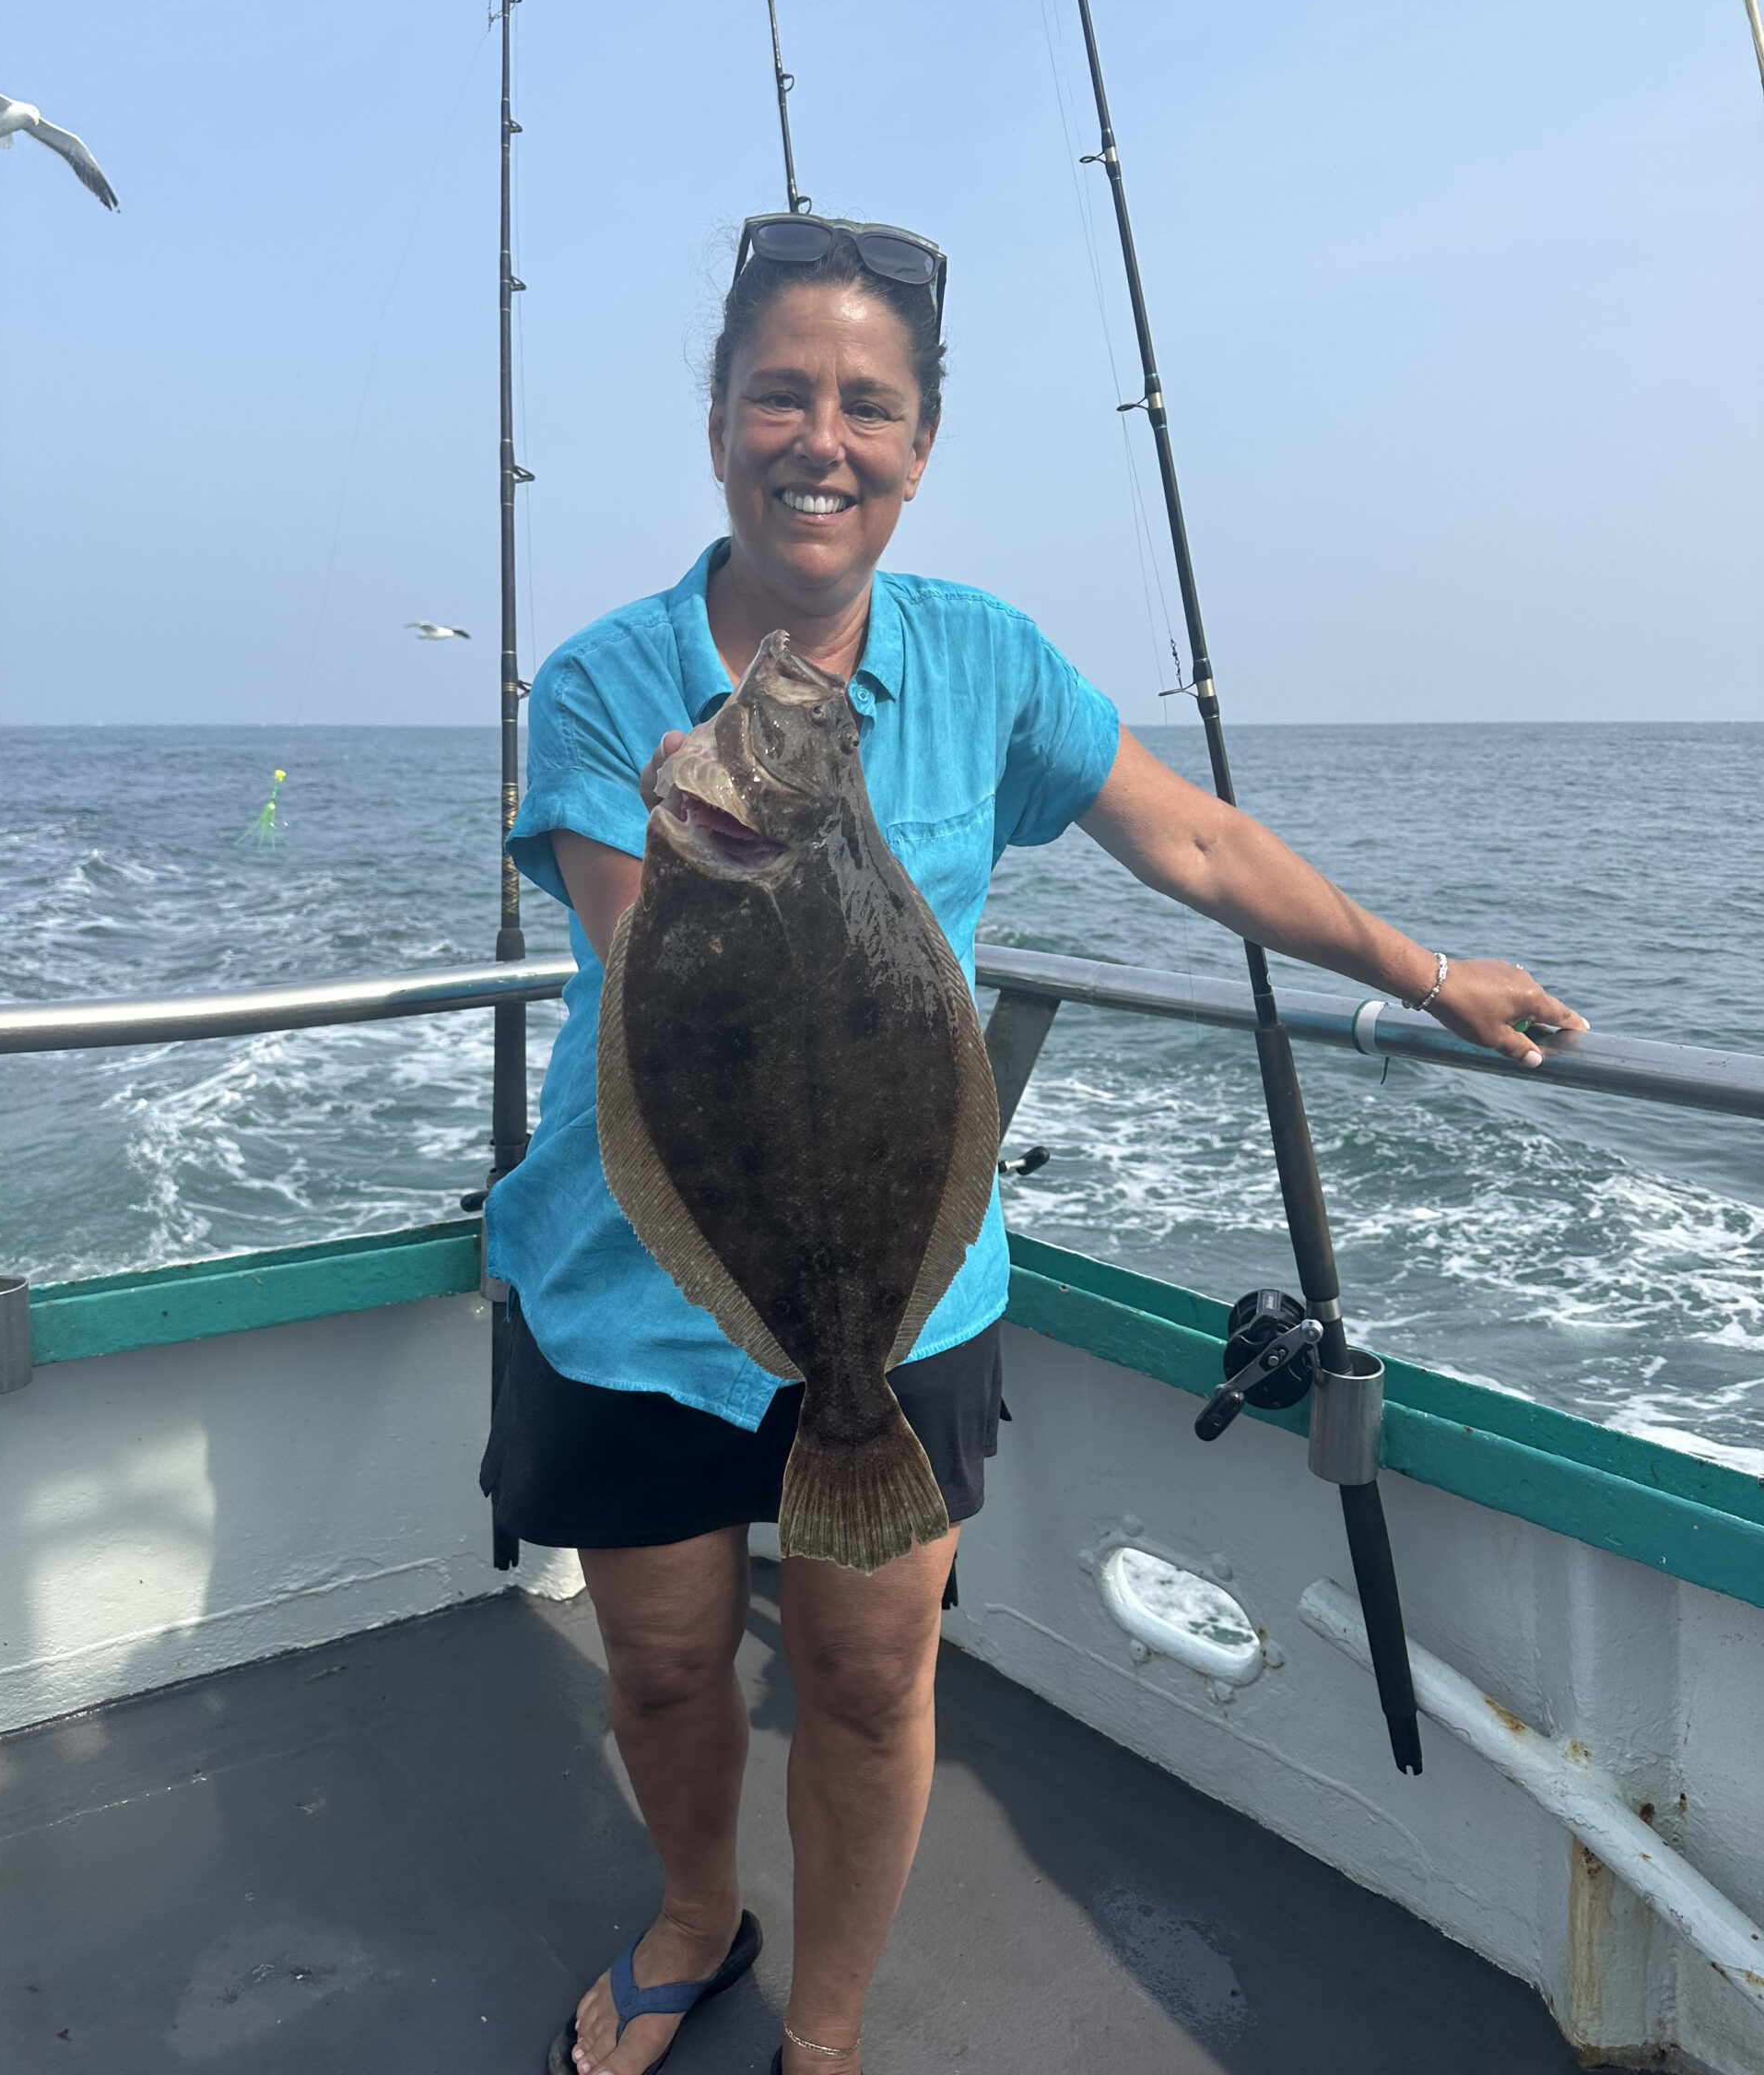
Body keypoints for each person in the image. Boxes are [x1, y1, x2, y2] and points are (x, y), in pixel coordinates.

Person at [480, 214, 1586, 2075]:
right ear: (720, 418)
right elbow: (650, 967)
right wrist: (726, 812)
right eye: (780, 393)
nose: (818, 438)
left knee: (865, 1666)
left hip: (897, 1286)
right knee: (665, 1657)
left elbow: (1202, 847)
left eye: (868, 406)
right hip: (636, 1278)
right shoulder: (604, 686)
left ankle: (824, 2025)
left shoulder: (981, 660)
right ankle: (694, 1909)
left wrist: (1422, 965)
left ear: (917, 444)